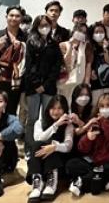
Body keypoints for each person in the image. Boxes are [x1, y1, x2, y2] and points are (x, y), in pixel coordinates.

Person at [66, 93, 109, 196]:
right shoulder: (93, 121)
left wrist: (105, 123)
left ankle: (81, 181)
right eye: (102, 106)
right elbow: (82, 149)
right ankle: (103, 180)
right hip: (93, 163)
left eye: (108, 105)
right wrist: (88, 138)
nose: (105, 109)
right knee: (71, 164)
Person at [24, 15, 64, 157]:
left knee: (47, 118)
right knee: (32, 118)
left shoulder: (54, 44)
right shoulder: (31, 42)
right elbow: (29, 65)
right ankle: (29, 147)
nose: (44, 27)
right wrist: (37, 84)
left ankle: (44, 147)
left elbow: (57, 67)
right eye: (41, 25)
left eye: (46, 25)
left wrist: (45, 85)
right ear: (36, 26)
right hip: (32, 86)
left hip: (49, 87)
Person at [27, 95, 74, 201]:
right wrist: (56, 125)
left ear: (65, 110)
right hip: (41, 162)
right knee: (37, 144)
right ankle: (37, 181)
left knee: (52, 142)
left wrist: (54, 147)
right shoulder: (39, 122)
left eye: (59, 108)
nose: (56, 112)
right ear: (48, 108)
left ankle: (51, 181)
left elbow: (68, 146)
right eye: (53, 108)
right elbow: (38, 139)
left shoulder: (68, 125)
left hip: (60, 163)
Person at [0, 5, 27, 117]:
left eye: (17, 16)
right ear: (6, 17)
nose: (14, 18)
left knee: (12, 109)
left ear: (22, 18)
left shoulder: (26, 37)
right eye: (11, 15)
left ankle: (9, 129)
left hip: (17, 80)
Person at [58, 23, 90, 100]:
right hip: (64, 82)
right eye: (80, 30)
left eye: (84, 32)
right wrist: (70, 45)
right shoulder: (63, 45)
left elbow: (85, 67)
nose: (81, 34)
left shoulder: (83, 48)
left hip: (77, 84)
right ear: (74, 31)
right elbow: (65, 62)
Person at [88, 22, 109, 103]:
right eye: (96, 32)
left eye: (101, 32)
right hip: (95, 83)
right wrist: (91, 72)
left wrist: (105, 48)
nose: (99, 34)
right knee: (96, 105)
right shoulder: (90, 46)